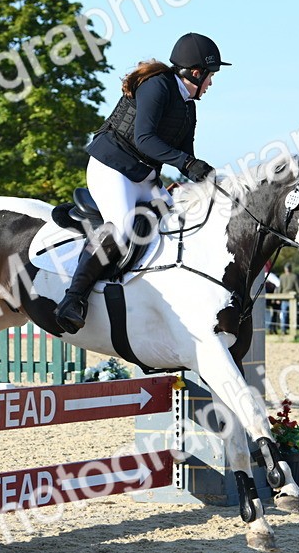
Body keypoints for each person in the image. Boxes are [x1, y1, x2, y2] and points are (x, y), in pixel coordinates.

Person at [54, 32, 230, 333]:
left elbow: (185, 154)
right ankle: (74, 299)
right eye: (210, 76)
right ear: (196, 73)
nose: (211, 84)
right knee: (122, 228)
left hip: (143, 174)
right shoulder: (157, 85)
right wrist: (187, 164)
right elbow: (144, 138)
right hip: (111, 166)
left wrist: (208, 179)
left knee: (177, 221)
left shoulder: (189, 105)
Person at [275, 263, 299, 334]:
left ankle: (283, 329)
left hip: (284, 298)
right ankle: (292, 329)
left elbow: (280, 288)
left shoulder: (282, 276)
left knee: (284, 314)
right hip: (292, 299)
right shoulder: (294, 276)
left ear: (285, 269)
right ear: (291, 268)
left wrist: (277, 298)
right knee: (293, 315)